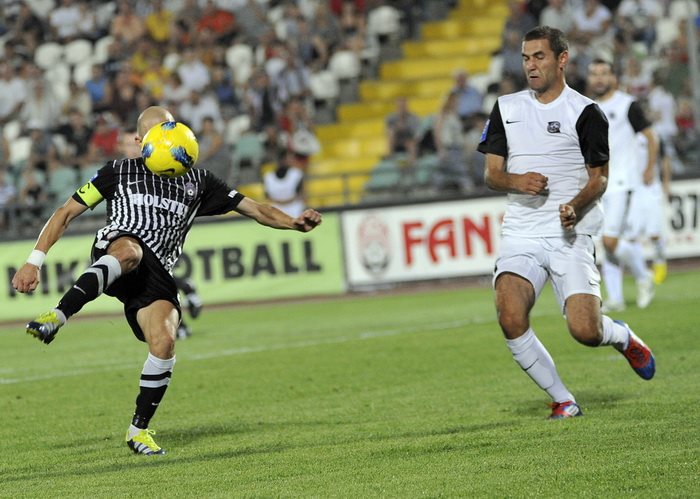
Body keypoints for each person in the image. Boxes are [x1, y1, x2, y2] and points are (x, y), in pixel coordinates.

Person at [11, 106, 322, 456]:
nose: (167, 138)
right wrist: (34, 261)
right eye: (158, 132)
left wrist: (293, 222)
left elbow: (255, 208)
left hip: (157, 271)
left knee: (164, 342)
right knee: (130, 252)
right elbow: (66, 212)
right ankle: (58, 315)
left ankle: (138, 431)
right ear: (139, 141)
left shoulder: (199, 182)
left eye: (170, 129)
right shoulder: (118, 171)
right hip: (119, 246)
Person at [477, 26, 655, 420]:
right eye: (525, 58)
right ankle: (563, 400)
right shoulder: (506, 107)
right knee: (510, 316)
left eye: (539, 56)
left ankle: (622, 337)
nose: (530, 65)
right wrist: (516, 181)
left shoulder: (586, 112)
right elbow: (492, 175)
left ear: (562, 59)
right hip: (522, 231)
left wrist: (574, 206)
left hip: (569, 234)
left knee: (585, 332)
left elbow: (600, 179)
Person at [587, 58, 656, 312]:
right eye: (594, 73)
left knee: (610, 241)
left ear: (613, 77)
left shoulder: (627, 105)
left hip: (621, 181)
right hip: (597, 183)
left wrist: (648, 167)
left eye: (604, 73)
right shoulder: (587, 107)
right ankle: (615, 298)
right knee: (605, 243)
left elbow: (650, 137)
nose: (599, 78)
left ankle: (643, 275)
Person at [263, 150, 306, 217]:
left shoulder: (297, 173)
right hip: (275, 208)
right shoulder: (268, 177)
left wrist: (286, 202)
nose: (292, 160)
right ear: (281, 159)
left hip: (294, 208)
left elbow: (301, 194)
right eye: (289, 158)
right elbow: (267, 196)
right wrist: (280, 203)